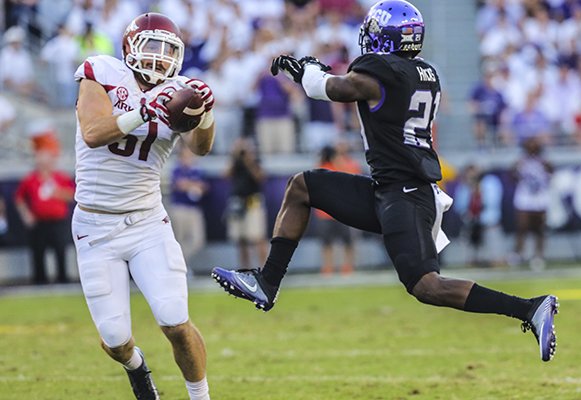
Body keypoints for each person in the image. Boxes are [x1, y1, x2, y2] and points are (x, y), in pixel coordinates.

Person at [212, 0, 559, 363]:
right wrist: (313, 72)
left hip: (406, 195)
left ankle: (530, 308)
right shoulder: (426, 73)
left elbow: (331, 89)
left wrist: (306, 71)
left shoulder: (380, 71)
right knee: (303, 186)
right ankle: (267, 282)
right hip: (387, 189)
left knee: (426, 286)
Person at [72, 13, 214, 400]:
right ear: (129, 46)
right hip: (95, 226)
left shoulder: (180, 89)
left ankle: (200, 397)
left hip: (147, 220)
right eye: (151, 45)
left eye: (168, 49)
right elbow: (93, 132)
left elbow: (201, 149)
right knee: (115, 340)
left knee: (174, 319)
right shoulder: (101, 72)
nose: (159, 56)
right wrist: (144, 109)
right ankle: (137, 366)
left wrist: (205, 113)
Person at [14, 128, 75, 284]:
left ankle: (63, 279)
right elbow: (19, 199)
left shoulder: (61, 178)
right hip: (39, 222)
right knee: (38, 252)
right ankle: (40, 280)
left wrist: (57, 193)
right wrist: (27, 215)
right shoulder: (30, 179)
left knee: (60, 250)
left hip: (58, 221)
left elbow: (72, 195)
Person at [314, 144, 359, 275]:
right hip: (325, 213)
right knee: (326, 243)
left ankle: (348, 267)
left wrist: (339, 162)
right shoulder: (322, 168)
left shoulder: (348, 164)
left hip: (344, 211)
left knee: (348, 242)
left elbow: (353, 178)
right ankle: (328, 268)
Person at [509, 137, 553, 271]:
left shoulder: (543, 161)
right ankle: (518, 253)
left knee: (539, 228)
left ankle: (538, 256)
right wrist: (516, 168)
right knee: (522, 226)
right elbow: (512, 175)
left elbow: (551, 172)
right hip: (525, 196)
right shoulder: (521, 161)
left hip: (539, 196)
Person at [224, 137, 268, 269]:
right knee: (241, 239)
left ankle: (264, 269)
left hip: (252, 201)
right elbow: (226, 175)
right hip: (237, 202)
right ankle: (245, 269)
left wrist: (249, 160)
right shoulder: (235, 162)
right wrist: (234, 156)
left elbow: (260, 177)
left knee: (258, 237)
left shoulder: (255, 161)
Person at [170, 144, 209, 267]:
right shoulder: (177, 169)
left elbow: (205, 187)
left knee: (197, 241)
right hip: (180, 208)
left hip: (194, 209)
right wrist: (193, 185)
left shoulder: (197, 170)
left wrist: (191, 185)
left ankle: (180, 264)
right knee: (179, 240)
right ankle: (178, 266)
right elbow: (179, 184)